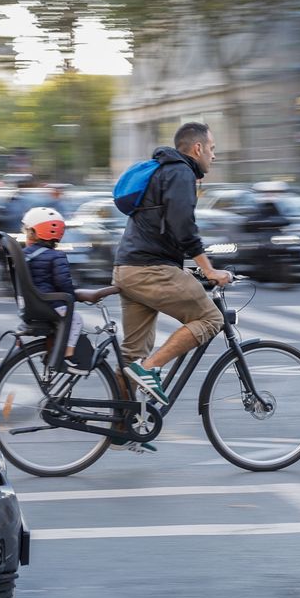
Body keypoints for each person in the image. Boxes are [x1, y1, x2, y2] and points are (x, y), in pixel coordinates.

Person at [112, 122, 231, 406]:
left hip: (127, 269)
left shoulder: (162, 171)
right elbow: (183, 227)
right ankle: (151, 369)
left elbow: (163, 229)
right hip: (149, 269)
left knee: (131, 354)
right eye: (212, 149)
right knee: (212, 319)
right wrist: (208, 269)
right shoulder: (180, 172)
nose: (213, 156)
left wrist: (186, 268)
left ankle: (121, 427)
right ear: (197, 148)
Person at [21, 206, 94, 370]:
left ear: (34, 232)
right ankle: (68, 353)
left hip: (33, 303)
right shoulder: (57, 256)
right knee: (76, 320)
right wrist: (73, 296)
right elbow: (63, 283)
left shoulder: (24, 254)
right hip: (49, 304)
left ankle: (52, 350)